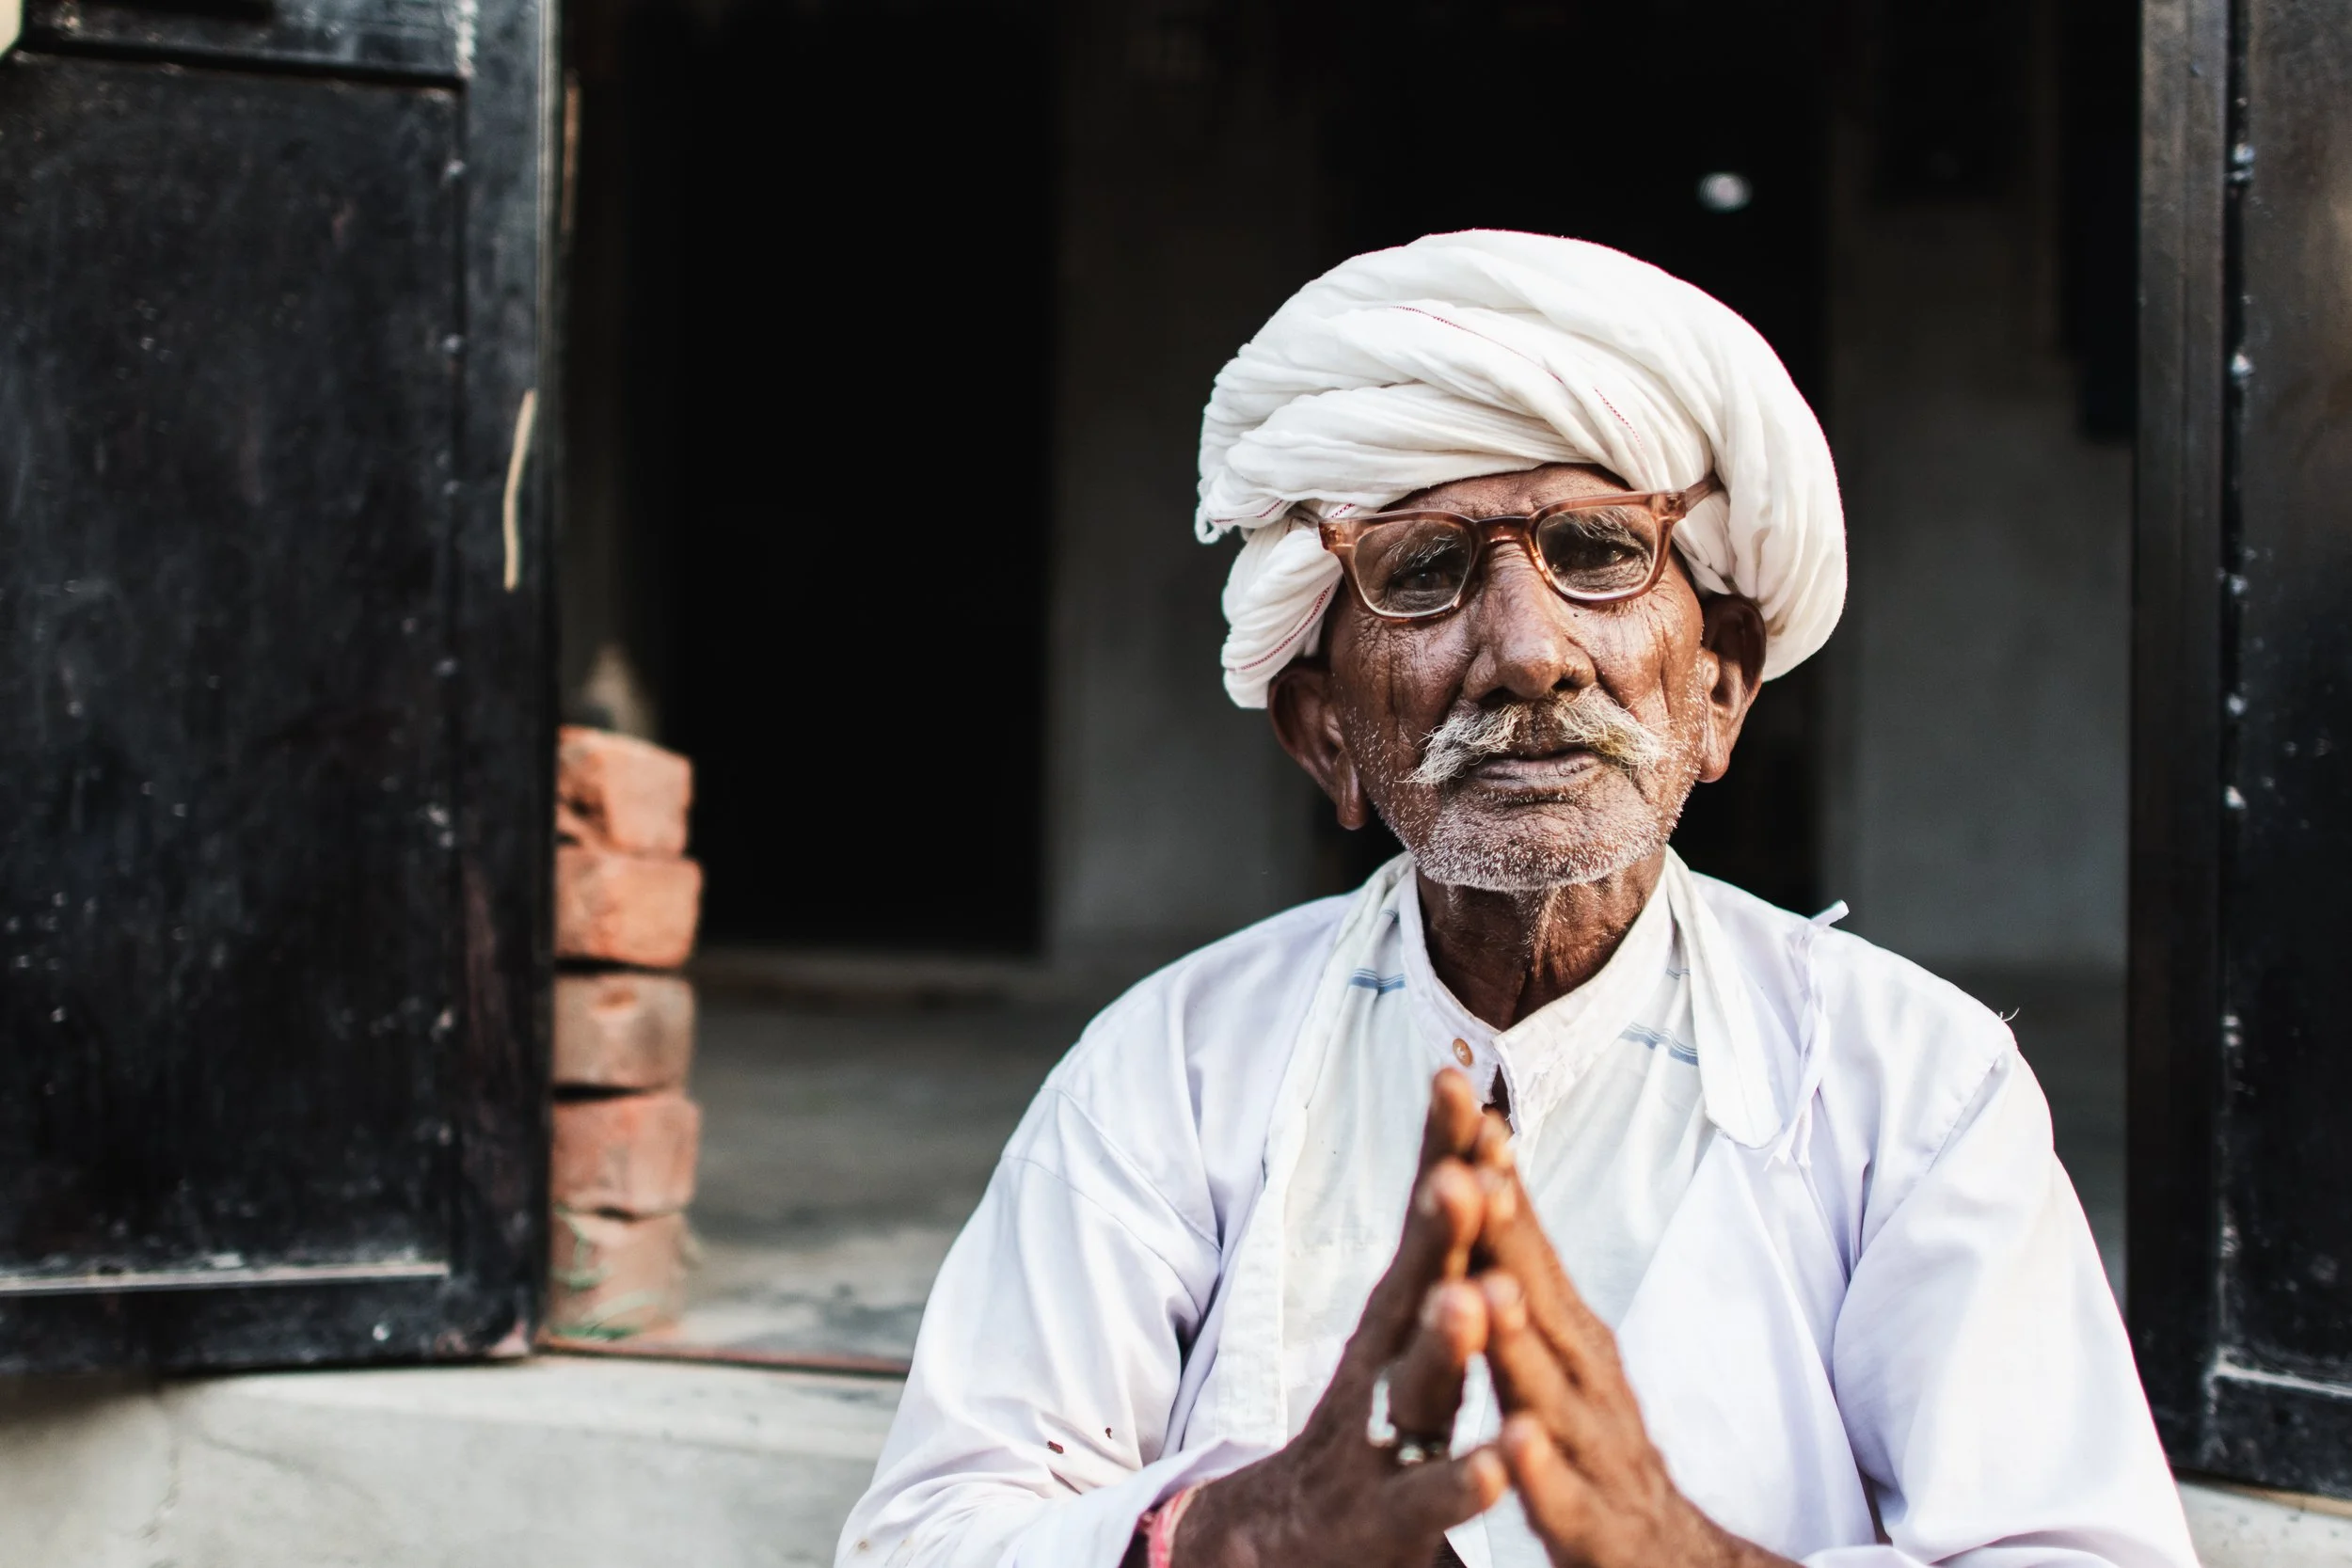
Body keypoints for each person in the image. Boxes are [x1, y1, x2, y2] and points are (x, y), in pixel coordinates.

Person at [836, 231, 2195, 1568]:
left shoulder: (1912, 1085)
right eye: (1424, 571)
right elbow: (927, 1532)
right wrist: (1235, 1536)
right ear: (1325, 736)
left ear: (1718, 690)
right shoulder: (1174, 1065)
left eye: (1597, 550)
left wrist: (1681, 1559)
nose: (1528, 655)